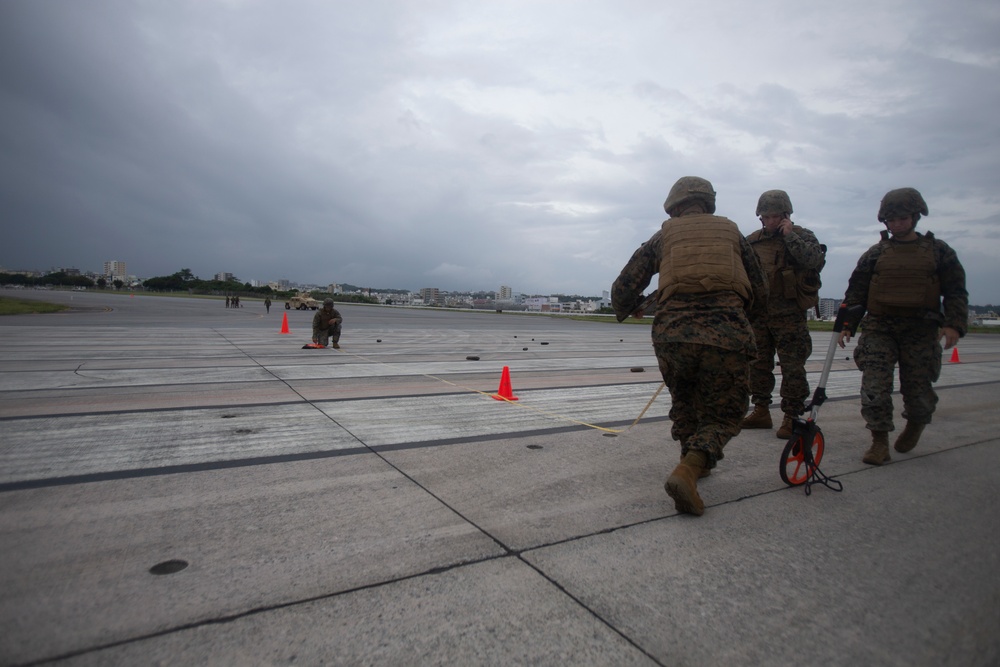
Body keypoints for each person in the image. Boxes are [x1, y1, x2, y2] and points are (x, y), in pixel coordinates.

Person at [612, 176, 768, 516]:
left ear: (673, 206)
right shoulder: (732, 234)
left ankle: (691, 459)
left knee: (685, 399)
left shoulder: (663, 236)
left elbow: (622, 287)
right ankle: (690, 469)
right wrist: (739, 318)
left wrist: (636, 304)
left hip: (672, 334)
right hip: (725, 333)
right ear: (708, 203)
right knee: (725, 413)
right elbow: (760, 288)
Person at [837, 188, 968, 465]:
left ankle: (916, 423)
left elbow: (956, 291)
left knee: (918, 389)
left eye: (902, 219)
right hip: (879, 328)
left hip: (921, 329)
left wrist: (954, 324)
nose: (896, 225)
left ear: (915, 217)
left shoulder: (939, 252)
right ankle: (879, 441)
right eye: (891, 220)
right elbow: (856, 291)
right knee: (874, 386)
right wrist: (848, 324)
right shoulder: (876, 254)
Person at [740, 190, 826, 438]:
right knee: (757, 365)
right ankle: (761, 410)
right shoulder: (752, 241)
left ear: (787, 216)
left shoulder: (802, 237)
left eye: (776, 216)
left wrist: (791, 237)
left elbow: (815, 262)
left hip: (790, 316)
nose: (771, 221)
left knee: (792, 368)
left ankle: (791, 415)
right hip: (759, 315)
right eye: (766, 216)